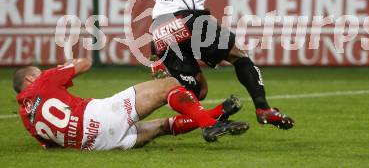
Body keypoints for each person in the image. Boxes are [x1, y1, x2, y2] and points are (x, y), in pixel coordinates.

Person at [150, 0, 294, 130]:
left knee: (195, 92)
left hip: (160, 30)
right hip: (184, 20)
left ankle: (150, 115)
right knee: (238, 55)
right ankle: (263, 109)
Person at [12, 58, 248, 150]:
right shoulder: (42, 81)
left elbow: (50, 147)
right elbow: (84, 63)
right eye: (38, 72)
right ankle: (208, 123)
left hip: (97, 145)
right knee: (169, 85)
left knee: (163, 126)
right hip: (99, 118)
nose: (42, 73)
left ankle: (218, 113)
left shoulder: (26, 116)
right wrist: (63, 66)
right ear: (31, 79)